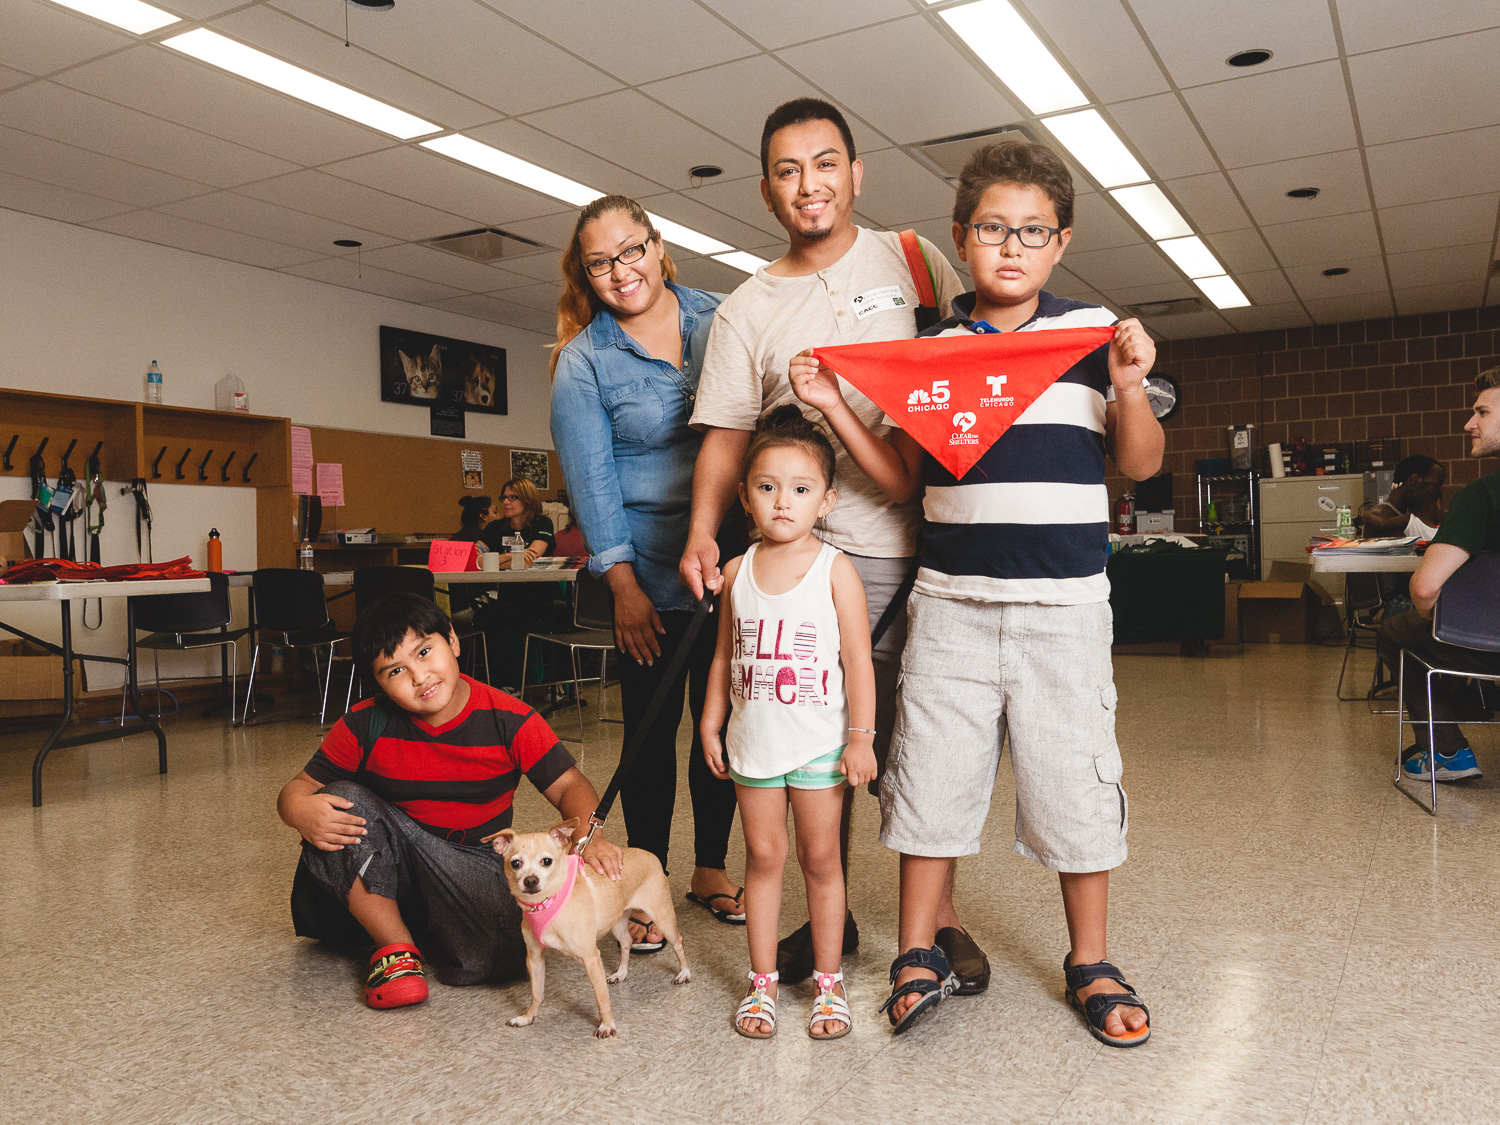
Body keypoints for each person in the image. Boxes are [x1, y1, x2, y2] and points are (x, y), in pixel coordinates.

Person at [789, 139, 1160, 1042]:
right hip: (951, 603)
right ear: (963, 235)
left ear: (1060, 242)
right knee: (932, 779)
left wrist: (1129, 385)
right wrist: (836, 405)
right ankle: (920, 949)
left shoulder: (1090, 336)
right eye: (992, 228)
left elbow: (1140, 463)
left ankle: (1091, 958)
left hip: (1065, 609)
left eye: (1032, 232)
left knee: (1074, 779)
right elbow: (905, 479)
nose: (1011, 246)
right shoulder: (936, 350)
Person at [679, 97, 985, 989]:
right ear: (767, 190)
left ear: (856, 174)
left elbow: (962, 375)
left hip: (910, 541)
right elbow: (728, 438)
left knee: (922, 737)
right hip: (797, 561)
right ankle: (831, 909)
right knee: (813, 733)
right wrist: (703, 526)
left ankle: (941, 917)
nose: (808, 184)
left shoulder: (914, 260)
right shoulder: (746, 309)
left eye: (824, 164)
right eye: (786, 170)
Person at [550, 194, 747, 951]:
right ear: (587, 273)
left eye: (631, 250)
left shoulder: (724, 317)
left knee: (724, 722)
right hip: (648, 577)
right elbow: (592, 481)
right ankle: (651, 877)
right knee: (653, 728)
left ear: (659, 246)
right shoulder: (584, 362)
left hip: (732, 565)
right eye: (601, 262)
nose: (620, 271)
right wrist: (623, 587)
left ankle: (709, 866)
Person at [277, 593, 623, 1009]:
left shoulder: (509, 717)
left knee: (495, 957)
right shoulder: (364, 722)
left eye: (425, 651)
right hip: (397, 863)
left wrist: (591, 839)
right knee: (337, 799)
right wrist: (299, 810)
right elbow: (296, 789)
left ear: (453, 641)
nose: (420, 676)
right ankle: (398, 948)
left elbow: (570, 786)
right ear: (379, 685)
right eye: (395, 671)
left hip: (470, 867)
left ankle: (427, 928)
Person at [700, 407, 877, 1039]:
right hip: (753, 746)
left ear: (826, 501)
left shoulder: (837, 571)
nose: (783, 503)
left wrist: (861, 738)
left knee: (821, 859)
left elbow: (858, 659)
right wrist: (711, 720)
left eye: (801, 490)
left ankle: (828, 984)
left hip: (820, 746)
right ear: (746, 496)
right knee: (764, 858)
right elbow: (724, 654)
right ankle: (764, 982)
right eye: (768, 487)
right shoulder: (736, 570)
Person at [1379, 367, 1500, 783]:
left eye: (1481, 412)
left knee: (1396, 630)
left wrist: (1442, 619)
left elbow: (1426, 587)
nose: (1469, 423)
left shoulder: (1481, 496)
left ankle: (1447, 753)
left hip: (1493, 645)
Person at [1363, 455, 1445, 539]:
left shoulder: (1415, 516)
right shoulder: (1381, 516)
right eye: (1434, 486)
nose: (1436, 493)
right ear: (1415, 479)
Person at [481, 478, 555, 564]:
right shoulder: (494, 526)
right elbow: (476, 561)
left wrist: (490, 563)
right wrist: (510, 555)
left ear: (528, 500)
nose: (505, 502)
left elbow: (526, 562)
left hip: (533, 577)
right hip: (499, 577)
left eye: (512, 497)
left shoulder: (543, 523)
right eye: (504, 497)